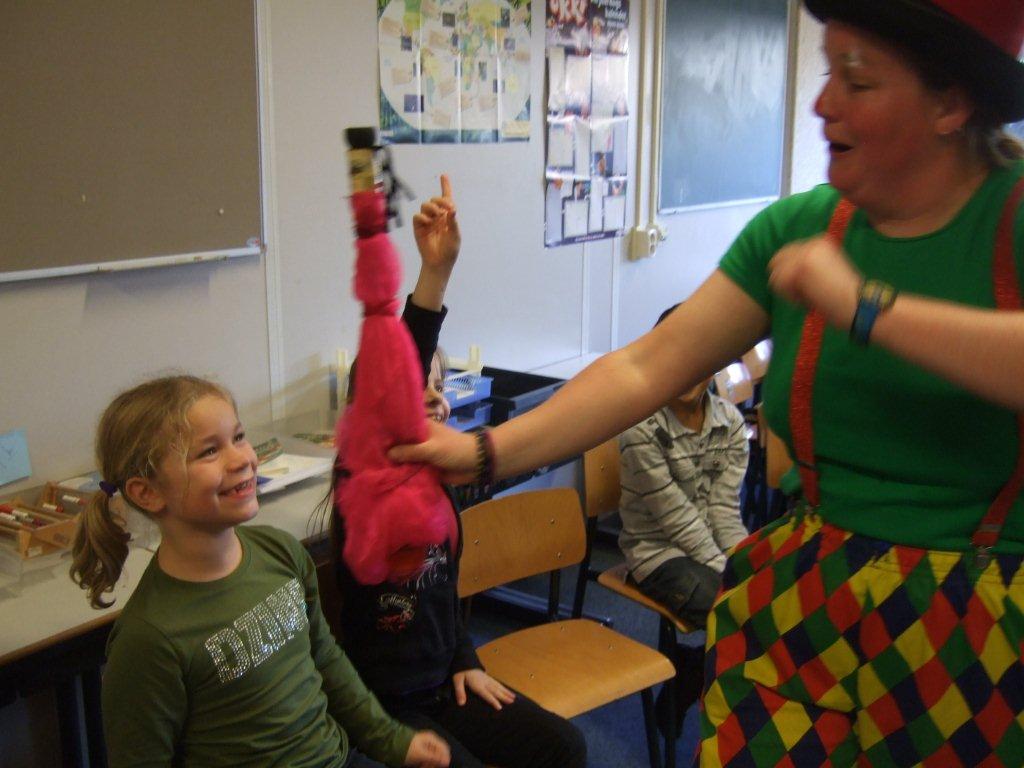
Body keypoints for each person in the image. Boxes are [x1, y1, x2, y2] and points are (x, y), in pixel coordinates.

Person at [389, 2, 1024, 765]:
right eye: (828, 72)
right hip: (811, 593)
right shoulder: (799, 229)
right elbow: (647, 366)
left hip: (976, 618)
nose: (823, 103)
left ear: (952, 102)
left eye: (857, 80)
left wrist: (863, 307)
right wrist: (486, 451)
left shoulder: (1010, 221)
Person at [328, 177, 587, 768]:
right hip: (386, 703)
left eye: (439, 389)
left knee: (562, 748)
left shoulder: (438, 490)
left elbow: (445, 597)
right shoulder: (358, 484)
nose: (431, 399)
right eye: (412, 387)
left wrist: (465, 658)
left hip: (446, 682)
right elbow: (401, 361)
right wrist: (435, 276)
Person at [69, 375, 450, 768]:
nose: (243, 459)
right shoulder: (149, 639)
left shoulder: (280, 552)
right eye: (209, 451)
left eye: (238, 437)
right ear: (147, 492)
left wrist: (390, 741)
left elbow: (325, 658)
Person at [618, 304, 749, 734]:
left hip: (706, 548)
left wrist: (745, 563)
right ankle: (700, 699)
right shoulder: (641, 427)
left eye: (701, 355)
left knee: (760, 600)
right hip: (657, 554)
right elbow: (678, 522)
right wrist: (733, 577)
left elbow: (723, 511)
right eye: (677, 356)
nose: (689, 369)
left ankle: (695, 671)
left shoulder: (730, 423)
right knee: (736, 614)